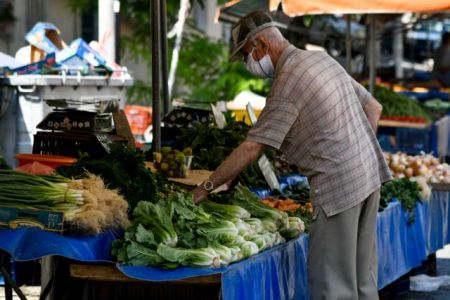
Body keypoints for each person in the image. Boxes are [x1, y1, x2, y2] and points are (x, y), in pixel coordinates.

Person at [193, 11, 391, 300]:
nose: (250, 64)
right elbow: (373, 107)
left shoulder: (287, 82)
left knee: (333, 287)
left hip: (337, 189)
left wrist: (207, 186)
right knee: (362, 282)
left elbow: (252, 147)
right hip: (369, 177)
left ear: (261, 43)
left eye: (247, 54)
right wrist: (356, 151)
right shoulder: (321, 59)